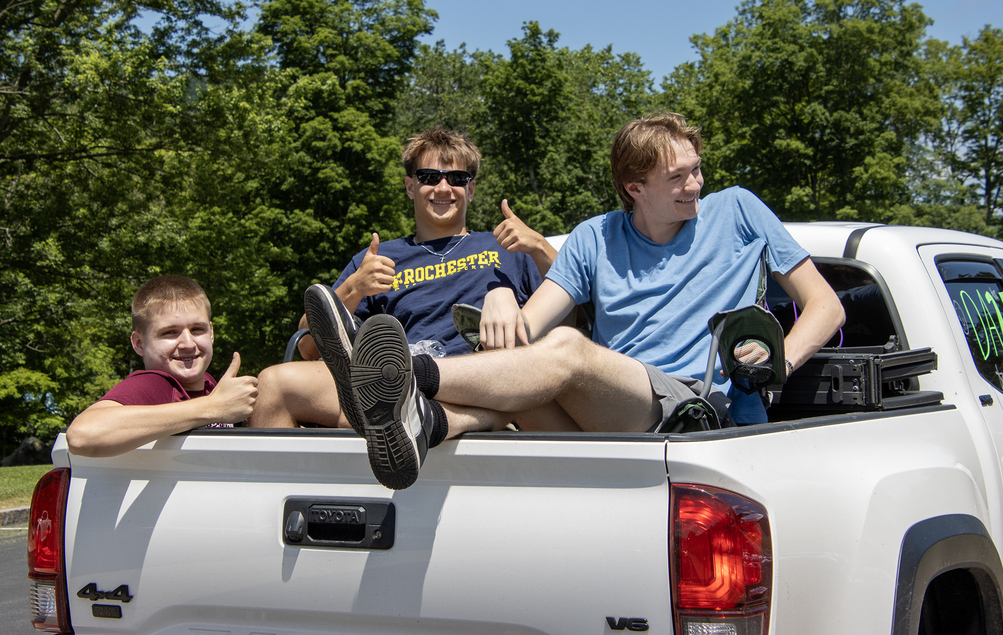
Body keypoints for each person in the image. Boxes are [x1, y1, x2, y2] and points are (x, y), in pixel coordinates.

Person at [305, 112, 847, 490]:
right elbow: (529, 327)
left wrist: (779, 362)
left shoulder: (739, 211)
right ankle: (427, 422)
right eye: (677, 177)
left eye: (696, 169)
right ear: (634, 187)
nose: (696, 185)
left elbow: (826, 307)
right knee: (511, 372)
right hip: (604, 421)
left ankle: (400, 379)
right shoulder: (594, 236)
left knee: (565, 348)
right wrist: (499, 298)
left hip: (689, 408)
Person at [248, 127, 555, 428]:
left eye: (457, 179)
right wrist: (355, 287)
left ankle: (394, 413)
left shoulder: (510, 247)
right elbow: (307, 346)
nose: (444, 188)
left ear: (471, 189)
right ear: (411, 186)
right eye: (429, 178)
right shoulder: (377, 258)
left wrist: (541, 247)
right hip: (393, 377)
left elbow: (580, 313)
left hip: (481, 379)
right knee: (274, 384)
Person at [66, 275, 258, 457]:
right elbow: (82, 435)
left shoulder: (209, 383)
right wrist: (213, 407)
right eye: (170, 332)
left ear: (211, 333)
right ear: (139, 343)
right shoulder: (156, 384)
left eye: (197, 329)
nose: (188, 344)